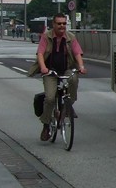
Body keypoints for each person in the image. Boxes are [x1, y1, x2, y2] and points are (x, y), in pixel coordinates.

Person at [32, 13, 86, 141]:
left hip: (65, 68)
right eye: (59, 23)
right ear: (53, 24)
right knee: (50, 98)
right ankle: (46, 125)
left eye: (64, 23)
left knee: (73, 79)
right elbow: (40, 53)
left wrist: (81, 66)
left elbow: (77, 53)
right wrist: (43, 67)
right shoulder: (46, 37)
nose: (62, 26)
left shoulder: (71, 37)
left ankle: (68, 105)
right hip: (50, 71)